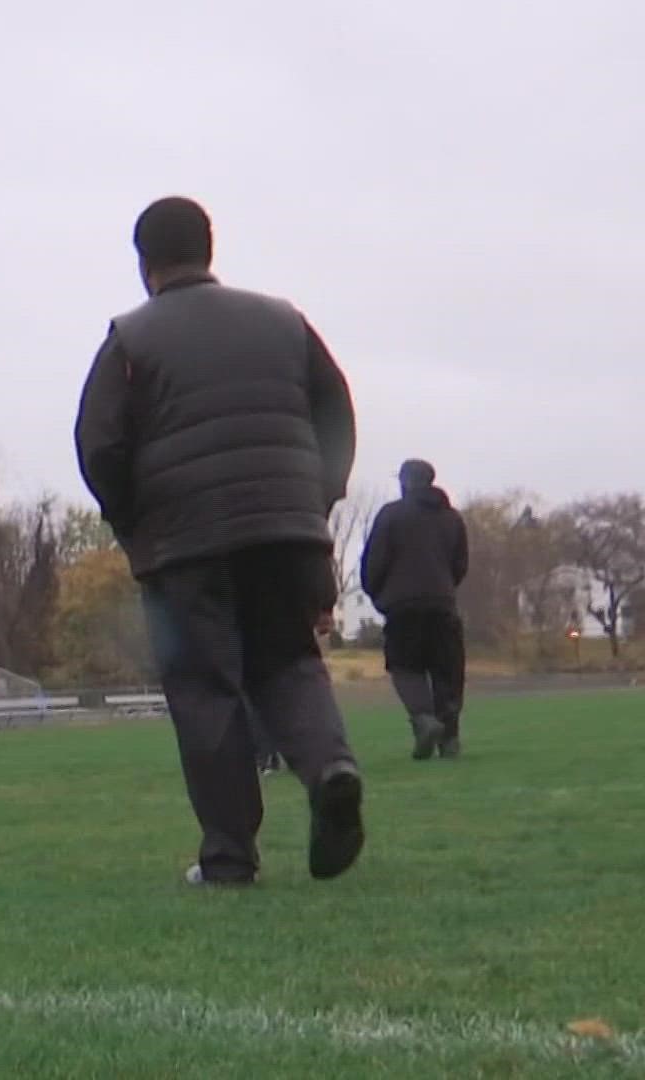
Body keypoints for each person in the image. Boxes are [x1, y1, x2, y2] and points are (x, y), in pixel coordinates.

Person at [73, 195, 364, 887]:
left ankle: (230, 854)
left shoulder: (129, 339)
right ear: (210, 248)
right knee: (289, 662)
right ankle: (331, 769)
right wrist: (313, 501)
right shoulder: (285, 322)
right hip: (286, 528)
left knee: (207, 690)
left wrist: (133, 523)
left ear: (145, 265)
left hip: (186, 544)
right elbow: (337, 413)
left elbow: (99, 445)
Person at [362, 458, 469, 760]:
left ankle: (423, 720)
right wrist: (443, 587)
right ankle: (449, 737)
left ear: (405, 482)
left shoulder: (391, 515)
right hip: (442, 602)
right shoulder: (452, 519)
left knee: (405, 667)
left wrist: (379, 595)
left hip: (401, 606)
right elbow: (460, 565)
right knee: (447, 670)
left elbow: (373, 563)